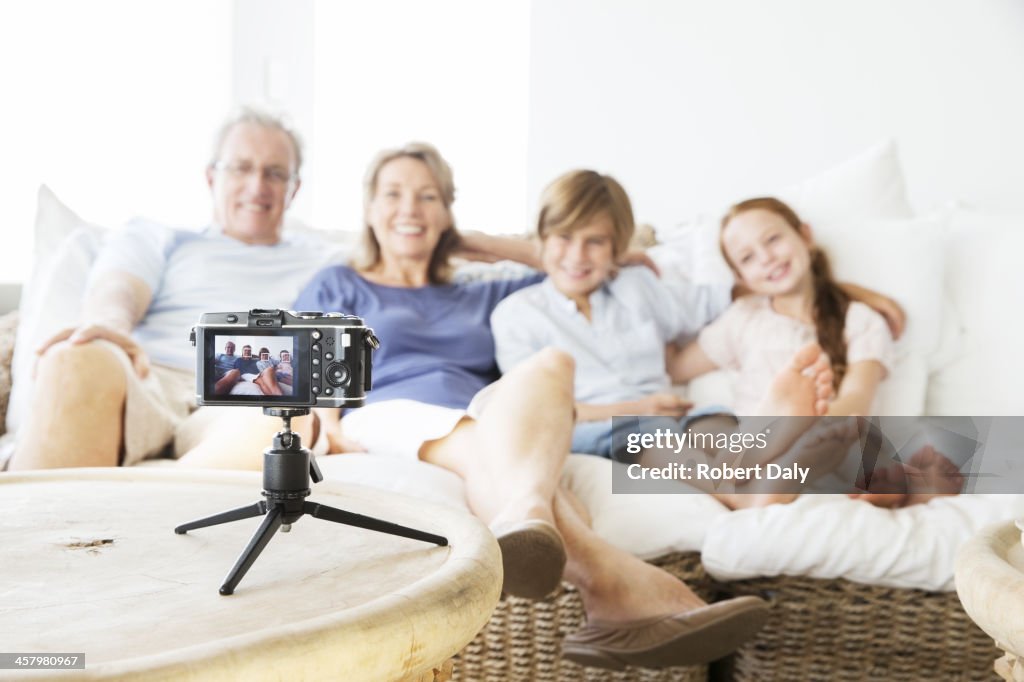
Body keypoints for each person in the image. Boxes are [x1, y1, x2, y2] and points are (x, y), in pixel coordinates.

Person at [289, 142, 793, 670]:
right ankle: (614, 584)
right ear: (368, 207)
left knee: (553, 364)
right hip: (391, 411)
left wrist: (470, 241)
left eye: (428, 197)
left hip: (487, 413)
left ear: (448, 211)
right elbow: (308, 363)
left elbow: (565, 263)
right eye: (393, 195)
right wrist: (325, 427)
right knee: (505, 453)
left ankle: (534, 518)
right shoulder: (340, 282)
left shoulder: (484, 294)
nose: (410, 209)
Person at [491, 171, 906, 503]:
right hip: (611, 427)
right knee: (664, 444)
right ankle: (760, 484)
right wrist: (638, 405)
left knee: (716, 422)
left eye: (595, 242)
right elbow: (532, 410)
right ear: (541, 238)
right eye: (564, 238)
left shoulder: (638, 287)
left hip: (676, 417)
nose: (578, 256)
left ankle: (768, 447)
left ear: (617, 247)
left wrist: (846, 292)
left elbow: (744, 287)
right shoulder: (516, 315)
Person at [8, 107, 331, 471]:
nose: (257, 186)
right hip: (149, 376)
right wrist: (109, 326)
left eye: (275, 173)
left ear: (294, 187)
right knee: (74, 357)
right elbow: (119, 288)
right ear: (211, 177)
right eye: (240, 168)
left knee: (284, 416)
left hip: (247, 392)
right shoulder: (158, 237)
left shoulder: (329, 261)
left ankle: (165, 519)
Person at [668, 197, 961, 504]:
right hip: (754, 435)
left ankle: (882, 486)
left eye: (773, 239)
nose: (766, 257)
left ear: (805, 236)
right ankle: (782, 461)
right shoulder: (743, 317)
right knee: (708, 426)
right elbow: (675, 367)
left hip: (825, 437)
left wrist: (812, 423)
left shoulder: (858, 319)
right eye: (747, 258)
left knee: (852, 437)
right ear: (741, 279)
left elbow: (856, 398)